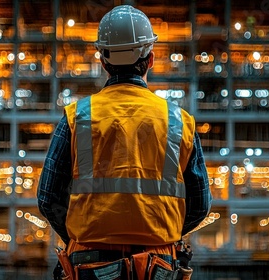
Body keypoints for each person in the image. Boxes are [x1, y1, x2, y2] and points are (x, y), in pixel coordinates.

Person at [37, 5, 212, 280]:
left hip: (88, 264)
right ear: (151, 59)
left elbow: (48, 198)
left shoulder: (77, 118)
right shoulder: (180, 122)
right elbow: (200, 204)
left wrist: (81, 236)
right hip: (160, 264)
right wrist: (162, 234)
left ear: (103, 60)